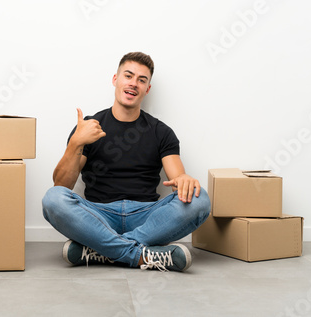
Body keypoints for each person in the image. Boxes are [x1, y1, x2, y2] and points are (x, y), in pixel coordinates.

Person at [42, 52, 210, 272]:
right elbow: (62, 186)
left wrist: (184, 180)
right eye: (128, 76)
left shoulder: (161, 132)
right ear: (115, 79)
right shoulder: (88, 127)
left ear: (147, 89)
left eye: (142, 80)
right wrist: (76, 143)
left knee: (200, 200)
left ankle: (102, 251)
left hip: (147, 216)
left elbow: (178, 178)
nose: (134, 83)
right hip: (99, 215)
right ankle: (139, 255)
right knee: (53, 199)